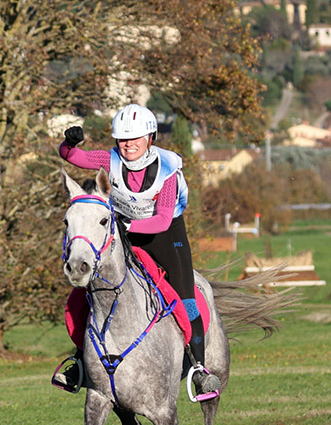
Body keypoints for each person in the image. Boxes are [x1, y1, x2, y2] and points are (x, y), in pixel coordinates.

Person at [52, 104, 221, 398]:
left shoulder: (167, 168)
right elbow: (73, 158)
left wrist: (125, 225)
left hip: (166, 237)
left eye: (136, 138)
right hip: (122, 233)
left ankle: (198, 369)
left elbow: (163, 218)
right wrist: (69, 143)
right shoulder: (111, 158)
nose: (129, 145)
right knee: (86, 293)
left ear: (150, 138)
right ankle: (79, 362)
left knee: (185, 298)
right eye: (123, 139)